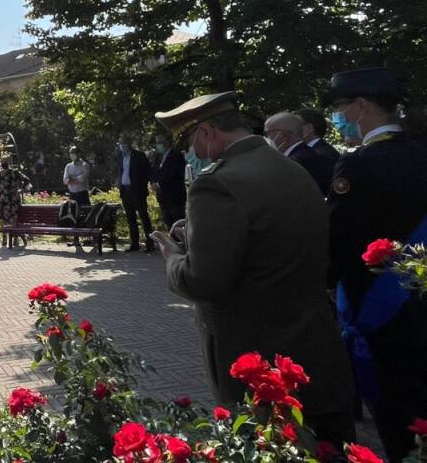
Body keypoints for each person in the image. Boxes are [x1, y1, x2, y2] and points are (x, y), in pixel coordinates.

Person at [152, 92, 355, 448]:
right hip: (315, 355)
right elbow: (272, 239)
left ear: (207, 131)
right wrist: (201, 233)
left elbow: (203, 281)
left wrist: (172, 256)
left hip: (257, 368)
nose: (190, 151)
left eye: (189, 140)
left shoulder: (215, 183)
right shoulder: (291, 168)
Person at [325, 67, 427, 461]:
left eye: (340, 108)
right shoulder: (420, 152)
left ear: (360, 107)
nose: (338, 117)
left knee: (397, 422)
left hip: (380, 312)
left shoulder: (358, 165)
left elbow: (339, 239)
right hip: (418, 297)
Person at [264, 111, 334, 196]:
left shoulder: (293, 161)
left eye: (268, 133)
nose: (267, 138)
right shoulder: (306, 154)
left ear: (284, 134)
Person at [115, 136, 153, 252]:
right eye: (120, 144)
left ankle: (150, 243)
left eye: (124, 144)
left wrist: (142, 186)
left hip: (137, 191)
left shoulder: (139, 156)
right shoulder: (121, 156)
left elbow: (147, 172)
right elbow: (121, 171)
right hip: (125, 191)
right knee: (130, 218)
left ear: (129, 144)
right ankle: (134, 243)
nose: (122, 146)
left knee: (143, 216)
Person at [0, 157, 32, 249]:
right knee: (2, 219)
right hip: (3, 200)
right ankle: (4, 238)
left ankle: (16, 239)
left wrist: (22, 190)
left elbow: (27, 181)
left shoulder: (15, 173)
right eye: (3, 162)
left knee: (13, 220)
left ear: (9, 163)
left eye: (6, 162)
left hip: (13, 200)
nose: (4, 164)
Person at [150, 134, 186, 230]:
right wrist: (153, 182)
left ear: (166, 143)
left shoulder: (176, 155)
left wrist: (159, 184)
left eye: (159, 143)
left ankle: (181, 244)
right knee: (169, 224)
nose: (157, 145)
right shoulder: (158, 157)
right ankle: (173, 244)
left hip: (175, 197)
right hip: (163, 197)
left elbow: (173, 173)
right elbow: (154, 171)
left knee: (178, 225)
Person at [297, 107, 342, 174]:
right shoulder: (322, 151)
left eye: (296, 126)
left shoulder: (318, 155)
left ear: (309, 128)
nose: (290, 130)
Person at [62, 146, 90, 248]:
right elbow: (65, 180)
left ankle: (90, 238)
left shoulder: (85, 165)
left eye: (73, 152)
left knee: (85, 215)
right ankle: (76, 239)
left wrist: (72, 179)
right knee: (74, 216)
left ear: (78, 153)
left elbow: (82, 179)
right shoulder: (68, 166)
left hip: (82, 194)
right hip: (72, 194)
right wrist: (75, 179)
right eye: (70, 152)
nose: (72, 154)